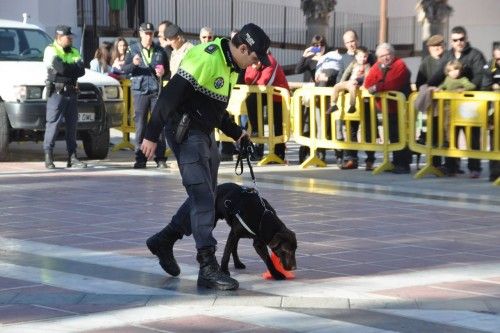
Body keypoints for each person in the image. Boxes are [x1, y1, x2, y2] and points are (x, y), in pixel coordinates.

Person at [141, 23, 270, 291]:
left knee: (207, 198)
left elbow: (214, 109)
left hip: (204, 132)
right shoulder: (206, 57)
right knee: (202, 197)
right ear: (243, 48)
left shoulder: (231, 65)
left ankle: (164, 239)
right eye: (255, 58)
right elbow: (169, 96)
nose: (255, 65)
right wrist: (151, 135)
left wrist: (237, 133)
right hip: (185, 132)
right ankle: (207, 266)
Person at [428, 26, 486, 178]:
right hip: (451, 105)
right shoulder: (447, 55)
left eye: (461, 39)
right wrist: (429, 87)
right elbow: (439, 74)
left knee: (472, 136)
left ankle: (475, 168)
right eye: (455, 40)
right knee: (451, 136)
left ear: (466, 39)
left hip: (470, 104)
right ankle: (451, 167)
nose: (459, 42)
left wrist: (467, 90)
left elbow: (480, 76)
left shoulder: (475, 54)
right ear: (451, 41)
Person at [122, 22, 168, 168]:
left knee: (158, 124)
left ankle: (160, 158)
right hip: (140, 90)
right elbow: (125, 69)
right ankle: (140, 158)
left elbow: (167, 72)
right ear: (141, 34)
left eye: (151, 34)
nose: (149, 36)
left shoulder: (160, 50)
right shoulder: (133, 49)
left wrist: (163, 72)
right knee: (141, 124)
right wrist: (134, 64)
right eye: (146, 33)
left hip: (156, 90)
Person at [42, 25, 87, 169]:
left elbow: (81, 71)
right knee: (53, 125)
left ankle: (72, 157)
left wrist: (68, 69)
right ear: (59, 37)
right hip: (57, 93)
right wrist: (71, 68)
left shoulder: (73, 50)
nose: (71, 39)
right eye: (68, 37)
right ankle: (48, 156)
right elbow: (62, 68)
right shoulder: (51, 50)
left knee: (72, 126)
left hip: (72, 92)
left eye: (71, 37)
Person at [364, 42, 412, 174]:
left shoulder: (400, 64)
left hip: (401, 107)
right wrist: (377, 86)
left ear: (393, 54)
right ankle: (395, 163)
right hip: (387, 108)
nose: (385, 58)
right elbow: (368, 83)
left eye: (388, 54)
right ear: (378, 57)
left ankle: (403, 164)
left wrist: (378, 87)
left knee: (400, 135)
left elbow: (393, 83)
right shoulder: (377, 66)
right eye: (382, 56)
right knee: (392, 135)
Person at [336, 30, 376, 171]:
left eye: (352, 41)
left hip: (367, 101)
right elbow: (340, 77)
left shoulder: (370, 57)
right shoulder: (344, 59)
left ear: (357, 40)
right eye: (347, 42)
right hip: (350, 100)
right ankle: (351, 159)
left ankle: (370, 160)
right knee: (351, 130)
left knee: (369, 130)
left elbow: (374, 74)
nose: (351, 44)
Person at [244, 52, 289, 161]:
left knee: (277, 123)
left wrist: (256, 77)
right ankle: (256, 133)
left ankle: (279, 154)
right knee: (251, 100)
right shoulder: (252, 61)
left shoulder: (270, 60)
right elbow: (248, 80)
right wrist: (255, 68)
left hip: (278, 96)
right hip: (264, 94)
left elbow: (265, 82)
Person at [414, 34, 446, 168]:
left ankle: (451, 165)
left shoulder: (447, 59)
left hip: (447, 103)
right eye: (434, 46)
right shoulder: (426, 62)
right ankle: (434, 163)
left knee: (447, 135)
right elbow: (419, 82)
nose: (437, 48)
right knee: (433, 133)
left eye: (439, 45)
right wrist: (428, 88)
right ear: (429, 48)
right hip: (431, 105)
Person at [328, 46, 371, 114]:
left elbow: (367, 76)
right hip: (349, 82)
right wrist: (342, 81)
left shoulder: (367, 66)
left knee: (352, 88)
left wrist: (364, 85)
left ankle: (352, 105)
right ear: (356, 56)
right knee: (336, 86)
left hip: (357, 84)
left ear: (367, 56)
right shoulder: (353, 63)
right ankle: (333, 104)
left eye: (365, 56)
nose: (362, 59)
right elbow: (347, 72)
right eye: (360, 56)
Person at [482, 44, 500, 182]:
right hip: (495, 113)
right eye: (497, 58)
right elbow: (485, 86)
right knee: (494, 142)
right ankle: (494, 173)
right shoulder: (490, 66)